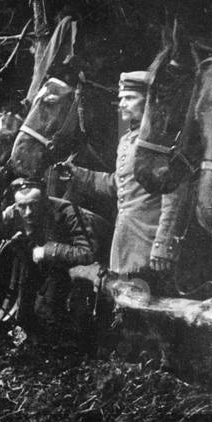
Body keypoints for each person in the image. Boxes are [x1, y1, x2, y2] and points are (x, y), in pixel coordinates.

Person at [61, 70, 184, 285]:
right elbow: (118, 184)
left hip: (149, 246)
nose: (122, 104)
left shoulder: (159, 142)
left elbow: (172, 196)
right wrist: (78, 174)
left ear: (148, 102)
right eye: (120, 99)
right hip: (125, 241)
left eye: (129, 98)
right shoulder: (127, 139)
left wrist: (162, 245)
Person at [0, 179, 95, 332]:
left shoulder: (67, 212)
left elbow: (87, 253)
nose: (28, 212)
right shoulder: (13, 213)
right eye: (22, 206)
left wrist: (46, 251)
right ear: (16, 205)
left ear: (44, 201)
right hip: (38, 267)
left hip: (72, 268)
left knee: (49, 310)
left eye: (33, 205)